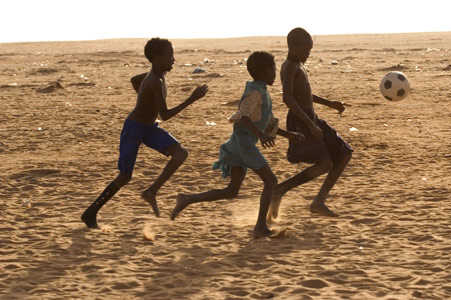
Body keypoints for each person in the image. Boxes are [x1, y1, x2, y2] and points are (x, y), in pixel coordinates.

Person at [170, 51, 304, 238]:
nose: (275, 73)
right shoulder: (256, 92)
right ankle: (260, 227)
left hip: (237, 143)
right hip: (243, 144)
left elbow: (265, 121)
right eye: (273, 69)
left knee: (232, 191)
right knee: (271, 181)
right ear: (266, 72)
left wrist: (288, 134)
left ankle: (187, 199)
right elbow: (243, 116)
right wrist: (260, 135)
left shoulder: (260, 91)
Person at [81, 37, 208, 229]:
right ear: (157, 58)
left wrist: (144, 102)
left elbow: (135, 80)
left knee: (180, 153)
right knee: (125, 177)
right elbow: (165, 115)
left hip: (148, 128)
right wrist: (191, 99)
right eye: (170, 56)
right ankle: (90, 213)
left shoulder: (155, 76)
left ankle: (151, 191)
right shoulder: (155, 80)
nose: (173, 60)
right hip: (133, 128)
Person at [269, 27, 353, 220]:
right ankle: (280, 190)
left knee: (344, 153)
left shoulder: (298, 64)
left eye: (310, 50)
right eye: (305, 50)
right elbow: (288, 99)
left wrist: (329, 103)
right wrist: (310, 125)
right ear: (292, 46)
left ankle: (318, 202)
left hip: (310, 117)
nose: (308, 54)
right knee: (325, 163)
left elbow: (305, 94)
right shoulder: (289, 66)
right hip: (301, 120)